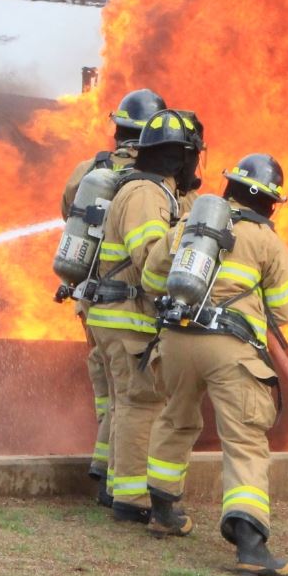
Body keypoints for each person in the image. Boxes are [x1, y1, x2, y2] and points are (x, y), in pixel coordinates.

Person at [142, 153, 288, 576]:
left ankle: (162, 511)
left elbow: (152, 279)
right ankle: (251, 546)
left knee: (175, 419)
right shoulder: (264, 239)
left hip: (176, 341)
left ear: (229, 186)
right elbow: (286, 309)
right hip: (229, 347)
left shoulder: (189, 225)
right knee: (244, 440)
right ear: (270, 202)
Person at [85, 108, 204, 524]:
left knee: (127, 404)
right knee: (141, 404)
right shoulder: (146, 195)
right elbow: (150, 259)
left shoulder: (146, 189)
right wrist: (188, 230)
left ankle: (119, 487)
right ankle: (133, 498)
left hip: (116, 314)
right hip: (128, 316)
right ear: (180, 156)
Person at [59, 88, 166, 506]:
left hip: (90, 300)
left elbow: (68, 213)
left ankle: (103, 465)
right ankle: (115, 480)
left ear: (118, 129)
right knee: (131, 395)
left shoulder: (89, 171)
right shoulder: (151, 185)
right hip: (130, 303)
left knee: (107, 387)